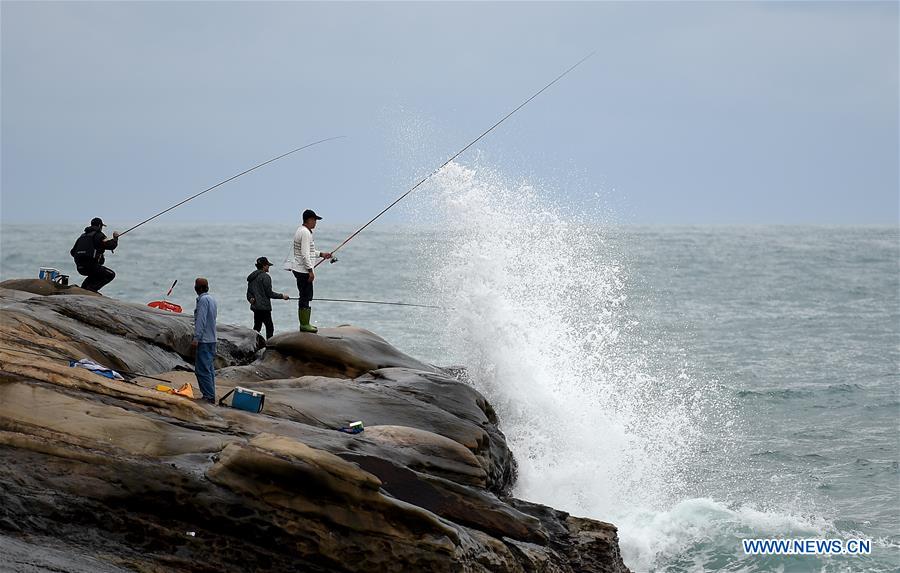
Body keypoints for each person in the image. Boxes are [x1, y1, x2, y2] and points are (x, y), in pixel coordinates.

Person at [284, 209, 332, 333]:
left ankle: (305, 323)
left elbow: (308, 252)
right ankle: (304, 324)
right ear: (309, 220)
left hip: (299, 268)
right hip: (303, 270)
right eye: (315, 220)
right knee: (305, 296)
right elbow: (305, 254)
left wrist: (322, 254)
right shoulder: (305, 233)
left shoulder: (301, 230)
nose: (315, 222)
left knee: (304, 296)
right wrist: (310, 271)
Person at [70, 217, 120, 292]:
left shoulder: (82, 236)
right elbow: (111, 245)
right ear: (100, 226)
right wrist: (115, 238)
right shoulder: (99, 235)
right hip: (91, 266)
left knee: (94, 275)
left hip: (80, 267)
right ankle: (92, 290)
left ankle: (84, 289)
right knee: (110, 274)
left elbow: (72, 252)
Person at [246, 256, 289, 339]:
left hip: (255, 307)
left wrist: (250, 299)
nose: (268, 267)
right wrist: (282, 296)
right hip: (264, 307)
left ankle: (253, 343)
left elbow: (248, 293)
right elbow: (269, 294)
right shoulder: (266, 277)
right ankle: (269, 345)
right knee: (269, 327)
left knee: (257, 327)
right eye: (267, 265)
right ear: (263, 266)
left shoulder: (252, 277)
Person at [191, 277, 218, 404]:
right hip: (212, 338)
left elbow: (201, 320)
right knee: (209, 369)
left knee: (202, 370)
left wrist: (196, 337)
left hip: (204, 340)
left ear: (198, 288)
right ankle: (211, 394)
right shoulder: (212, 299)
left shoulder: (202, 300)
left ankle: (208, 396)